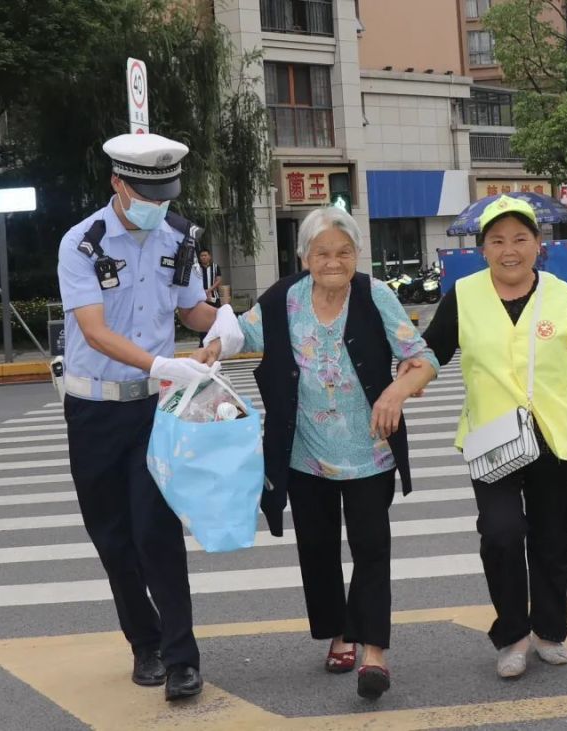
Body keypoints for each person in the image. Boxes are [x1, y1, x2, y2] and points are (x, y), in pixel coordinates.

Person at [397, 196, 567, 679]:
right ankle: (512, 636)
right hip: (492, 437)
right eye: (497, 241)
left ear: (538, 245)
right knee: (501, 533)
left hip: (552, 434)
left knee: (549, 537)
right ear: (483, 250)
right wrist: (403, 385)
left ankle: (549, 631)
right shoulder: (464, 296)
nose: (509, 250)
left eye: (520, 239)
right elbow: (432, 352)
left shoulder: (560, 295)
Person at [197, 207, 438, 700]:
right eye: (322, 252)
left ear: (356, 255)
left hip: (370, 450)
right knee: (318, 549)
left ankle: (374, 651)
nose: (334, 261)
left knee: (372, 548)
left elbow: (423, 359)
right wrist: (212, 348)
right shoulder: (285, 298)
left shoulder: (375, 295)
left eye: (344, 252)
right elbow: (241, 331)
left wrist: (395, 393)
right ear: (305, 256)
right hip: (304, 452)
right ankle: (338, 633)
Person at [56, 132, 243, 702]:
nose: (157, 204)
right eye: (146, 193)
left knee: (155, 530)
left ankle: (184, 658)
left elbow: (189, 305)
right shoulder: (83, 243)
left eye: (165, 194)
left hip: (154, 409)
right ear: (118, 183)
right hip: (94, 409)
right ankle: (145, 642)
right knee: (111, 537)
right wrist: (164, 361)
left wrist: (221, 323)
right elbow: (93, 328)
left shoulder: (180, 237)